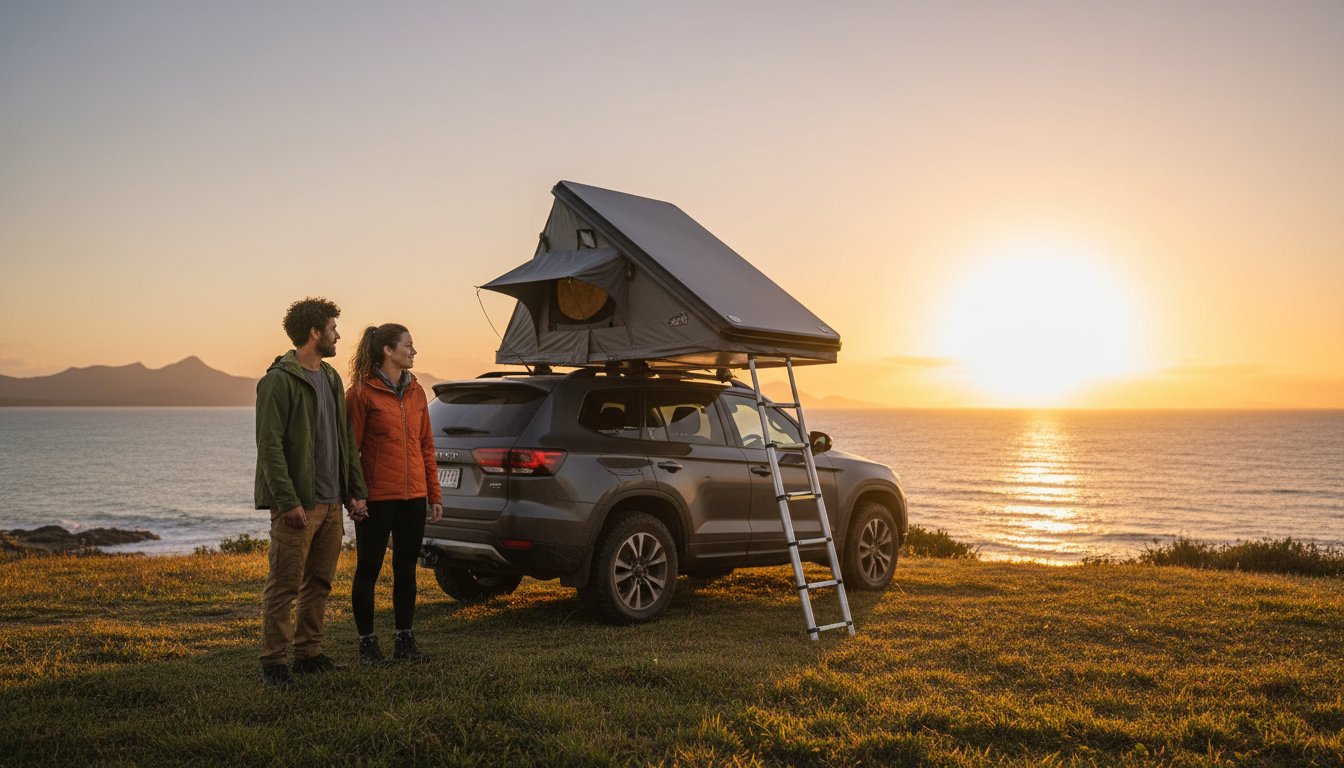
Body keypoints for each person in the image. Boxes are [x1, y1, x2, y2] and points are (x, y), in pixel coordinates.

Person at [254, 297, 367, 689]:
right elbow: (269, 446)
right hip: (298, 504)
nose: (339, 335)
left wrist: (355, 491)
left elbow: (344, 439)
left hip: (332, 501)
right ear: (315, 332)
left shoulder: (332, 378)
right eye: (334, 328)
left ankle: (308, 653)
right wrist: (287, 502)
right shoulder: (278, 380)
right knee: (284, 585)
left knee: (319, 582)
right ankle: (273, 663)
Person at [345, 323, 442, 664]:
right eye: (408, 345)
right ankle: (368, 645)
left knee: (406, 569)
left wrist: (434, 494)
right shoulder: (361, 392)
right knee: (368, 569)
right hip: (376, 497)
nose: (413, 351)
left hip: (413, 495)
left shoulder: (416, 391)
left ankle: (404, 642)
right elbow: (350, 450)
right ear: (388, 350)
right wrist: (355, 496)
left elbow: (426, 446)